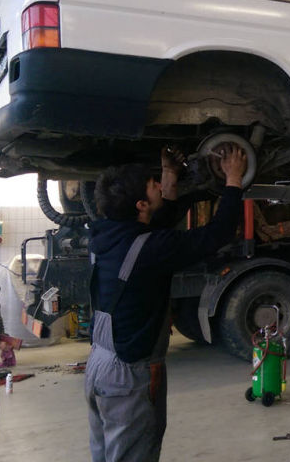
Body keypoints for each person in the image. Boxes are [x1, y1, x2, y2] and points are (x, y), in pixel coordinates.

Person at [85, 144, 247, 462]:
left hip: (99, 364)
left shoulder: (105, 237)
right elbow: (217, 234)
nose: (158, 184)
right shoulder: (149, 249)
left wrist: (170, 174)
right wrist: (234, 180)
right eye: (153, 184)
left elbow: (156, 226)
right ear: (141, 205)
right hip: (127, 375)